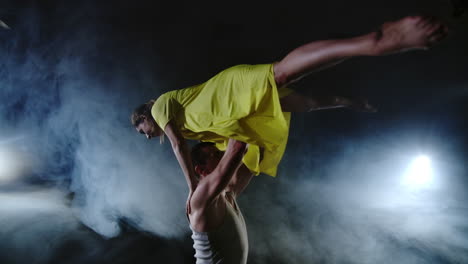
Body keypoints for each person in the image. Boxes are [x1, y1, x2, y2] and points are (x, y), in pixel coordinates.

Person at [131, 15, 448, 211]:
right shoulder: (185, 124)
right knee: (304, 103)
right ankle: (347, 100)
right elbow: (224, 161)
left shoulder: (160, 109)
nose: (147, 136)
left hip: (226, 93)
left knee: (282, 73)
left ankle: (372, 41)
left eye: (141, 130)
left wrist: (192, 189)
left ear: (145, 116)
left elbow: (177, 148)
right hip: (234, 115)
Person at [188, 140, 252, 264]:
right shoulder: (201, 198)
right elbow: (238, 148)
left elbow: (255, 162)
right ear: (201, 170)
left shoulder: (227, 195)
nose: (224, 155)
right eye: (217, 154)